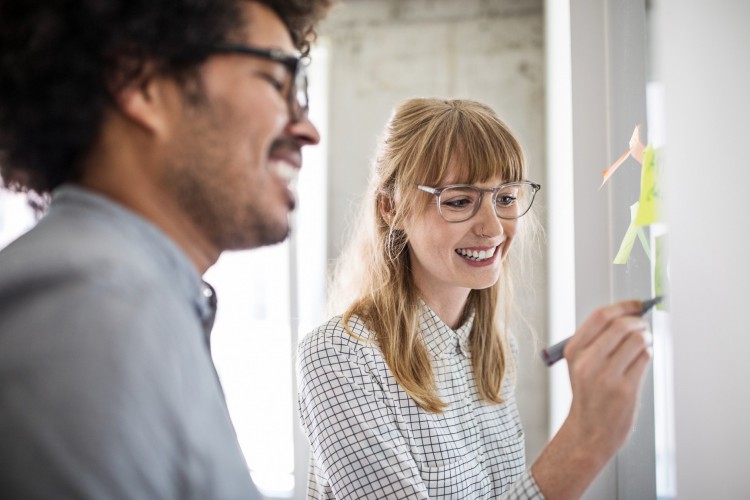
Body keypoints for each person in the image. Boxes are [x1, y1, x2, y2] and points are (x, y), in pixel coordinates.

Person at [0, 0, 332, 497]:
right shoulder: (92, 304)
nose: (307, 129)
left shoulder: (136, 295)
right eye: (277, 81)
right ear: (142, 84)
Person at [297, 98, 653, 499]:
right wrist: (585, 440)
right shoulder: (339, 357)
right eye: (459, 201)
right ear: (391, 207)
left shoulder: (498, 351)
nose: (493, 228)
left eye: (505, 198)